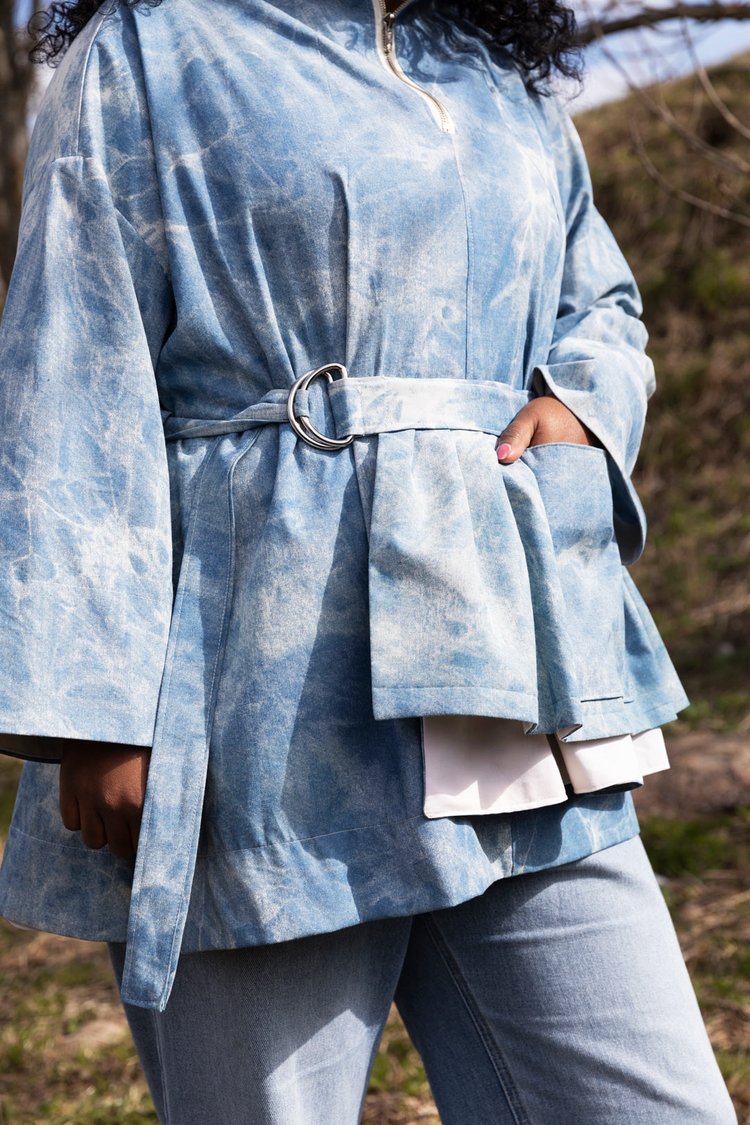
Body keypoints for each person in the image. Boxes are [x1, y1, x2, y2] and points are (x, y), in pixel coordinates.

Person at [0, 0, 737, 1120]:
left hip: (506, 668)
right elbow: (71, 363)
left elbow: (600, 299)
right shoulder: (156, 49)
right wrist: (95, 709)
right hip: (254, 703)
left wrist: (584, 406)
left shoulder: (496, 67)